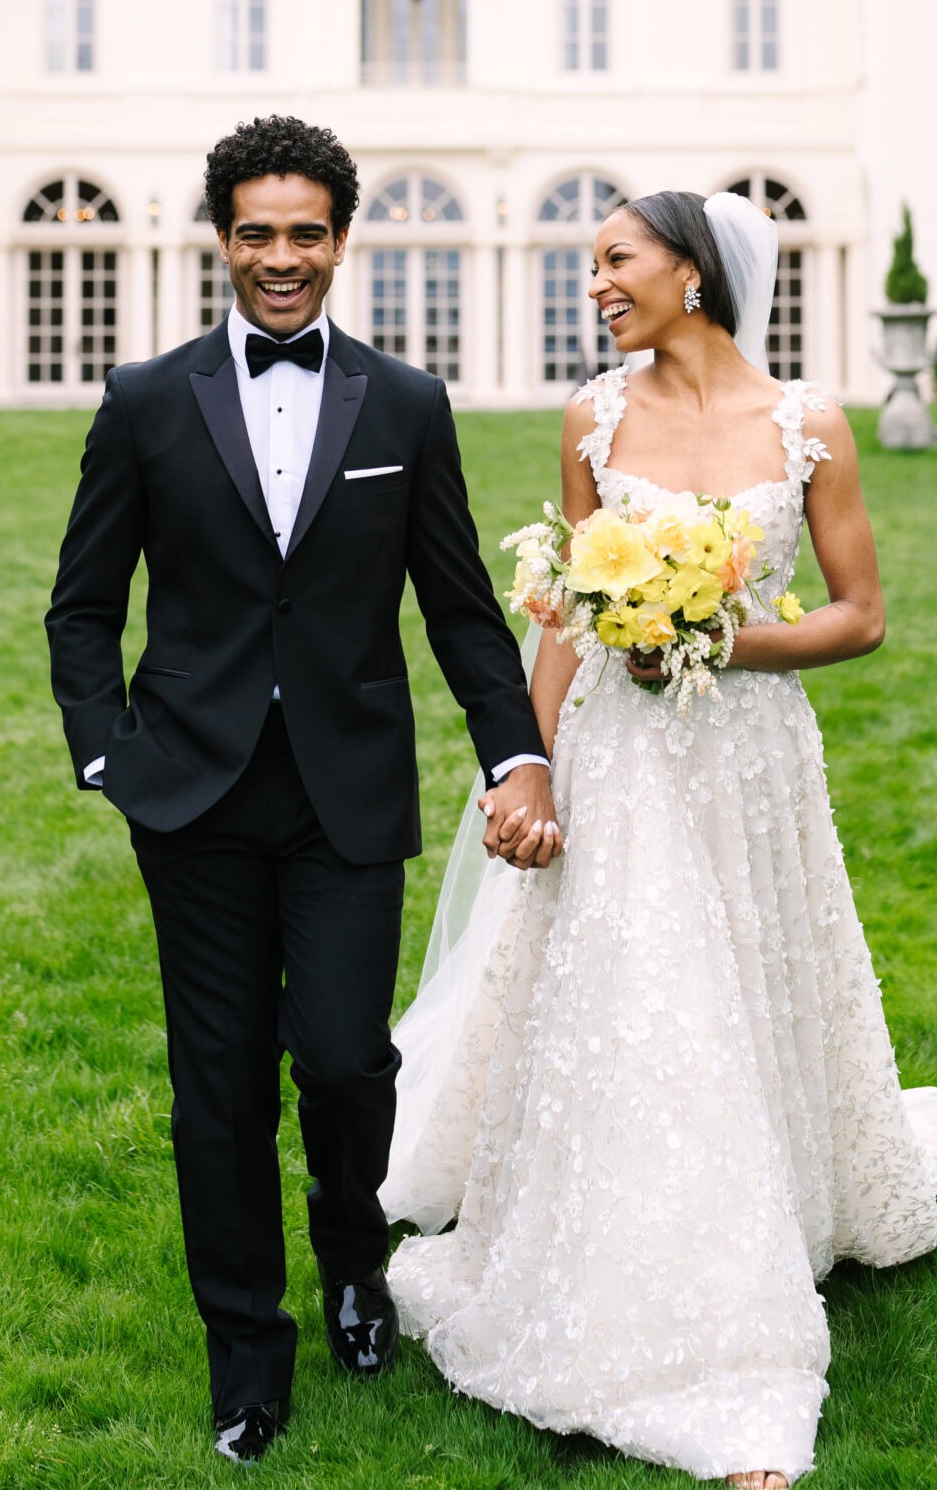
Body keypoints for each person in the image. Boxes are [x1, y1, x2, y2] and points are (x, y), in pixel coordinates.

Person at [384, 188, 937, 1489]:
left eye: (614, 259)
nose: (593, 283)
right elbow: (558, 611)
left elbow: (861, 615)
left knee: (741, 982)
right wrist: (528, 770)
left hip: (752, 755)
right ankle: (656, 1294)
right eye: (587, 265)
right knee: (647, 993)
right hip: (619, 755)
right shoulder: (592, 419)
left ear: (693, 274)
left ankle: (763, 1220)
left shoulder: (809, 425)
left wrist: (717, 638)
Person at [45, 115, 558, 1467]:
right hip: (193, 799)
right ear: (221, 237)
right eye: (258, 232)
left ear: (342, 239)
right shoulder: (147, 402)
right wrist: (109, 751)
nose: (283, 258)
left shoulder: (403, 405)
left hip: (348, 791)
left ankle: (353, 1262)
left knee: (343, 1059)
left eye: (307, 233)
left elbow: (457, 607)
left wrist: (517, 751)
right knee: (217, 1084)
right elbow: (83, 606)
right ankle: (246, 1357)